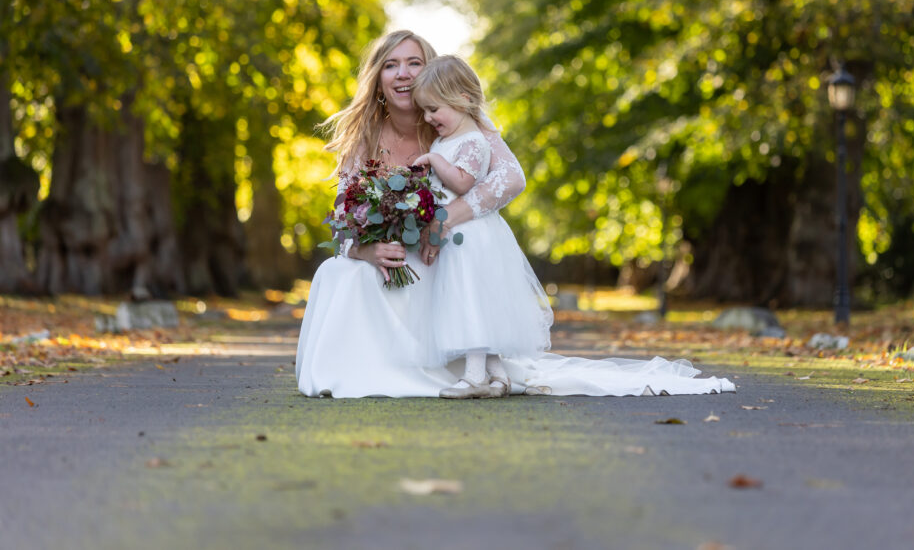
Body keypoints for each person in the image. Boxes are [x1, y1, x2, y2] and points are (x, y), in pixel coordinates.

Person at [294, 30, 735, 398]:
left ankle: (468, 364)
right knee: (338, 273)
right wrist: (367, 250)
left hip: (444, 254)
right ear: (377, 77)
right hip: (396, 256)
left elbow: (510, 177)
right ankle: (366, 367)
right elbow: (343, 215)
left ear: (430, 72)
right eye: (391, 64)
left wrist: (443, 220)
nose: (403, 73)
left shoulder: (455, 121)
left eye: (413, 62)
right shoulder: (364, 138)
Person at [410, 56, 552, 399]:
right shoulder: (446, 140)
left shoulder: (474, 141)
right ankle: (498, 376)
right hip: (460, 237)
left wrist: (432, 161)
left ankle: (474, 378)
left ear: (463, 99)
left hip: (472, 237)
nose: (428, 118)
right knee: (470, 301)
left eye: (433, 109)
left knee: (471, 302)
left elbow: (461, 183)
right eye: (424, 111)